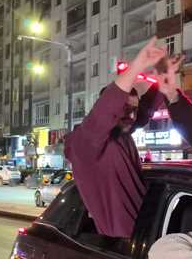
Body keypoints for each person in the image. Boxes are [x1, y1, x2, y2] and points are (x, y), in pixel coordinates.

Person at [65, 37, 166, 238]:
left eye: (134, 110)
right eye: (125, 109)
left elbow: (145, 109)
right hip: (120, 246)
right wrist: (136, 66)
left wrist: (163, 75)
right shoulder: (85, 143)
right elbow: (105, 110)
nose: (132, 116)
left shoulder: (121, 134)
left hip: (144, 238)